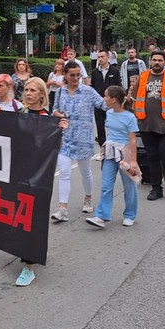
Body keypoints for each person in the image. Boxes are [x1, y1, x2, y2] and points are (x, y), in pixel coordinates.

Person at [14, 76, 67, 286]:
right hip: (19, 173)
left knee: (33, 217)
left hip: (39, 175)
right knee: (19, 215)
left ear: (42, 94)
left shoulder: (49, 118)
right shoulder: (19, 114)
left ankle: (29, 266)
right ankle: (27, 250)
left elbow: (56, 147)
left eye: (33, 90)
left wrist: (60, 129)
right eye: (26, 90)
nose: (28, 93)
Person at [50, 61, 104, 220]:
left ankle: (88, 198)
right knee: (64, 173)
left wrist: (122, 103)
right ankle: (62, 208)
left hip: (83, 139)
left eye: (77, 75)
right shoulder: (60, 92)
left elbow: (103, 104)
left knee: (85, 172)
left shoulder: (88, 91)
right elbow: (55, 110)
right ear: (65, 75)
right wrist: (58, 115)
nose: (75, 78)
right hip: (65, 139)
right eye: (72, 75)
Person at [131, 51, 165, 201]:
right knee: (153, 156)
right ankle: (156, 188)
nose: (156, 62)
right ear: (150, 61)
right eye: (154, 60)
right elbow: (133, 99)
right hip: (146, 125)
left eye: (159, 60)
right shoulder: (143, 77)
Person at [86, 85, 139, 229]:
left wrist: (133, 161)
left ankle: (130, 215)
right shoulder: (109, 113)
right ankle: (101, 216)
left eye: (106, 96)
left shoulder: (129, 117)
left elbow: (133, 140)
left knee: (129, 185)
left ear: (114, 99)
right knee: (106, 185)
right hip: (110, 151)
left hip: (125, 153)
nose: (104, 99)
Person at [90, 50, 120, 157]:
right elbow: (92, 86)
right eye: (99, 57)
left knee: (112, 126)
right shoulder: (95, 72)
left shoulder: (115, 71)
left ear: (108, 57)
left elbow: (118, 86)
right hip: (99, 103)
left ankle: (114, 149)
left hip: (112, 104)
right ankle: (103, 150)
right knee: (100, 127)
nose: (100, 59)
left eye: (102, 56)